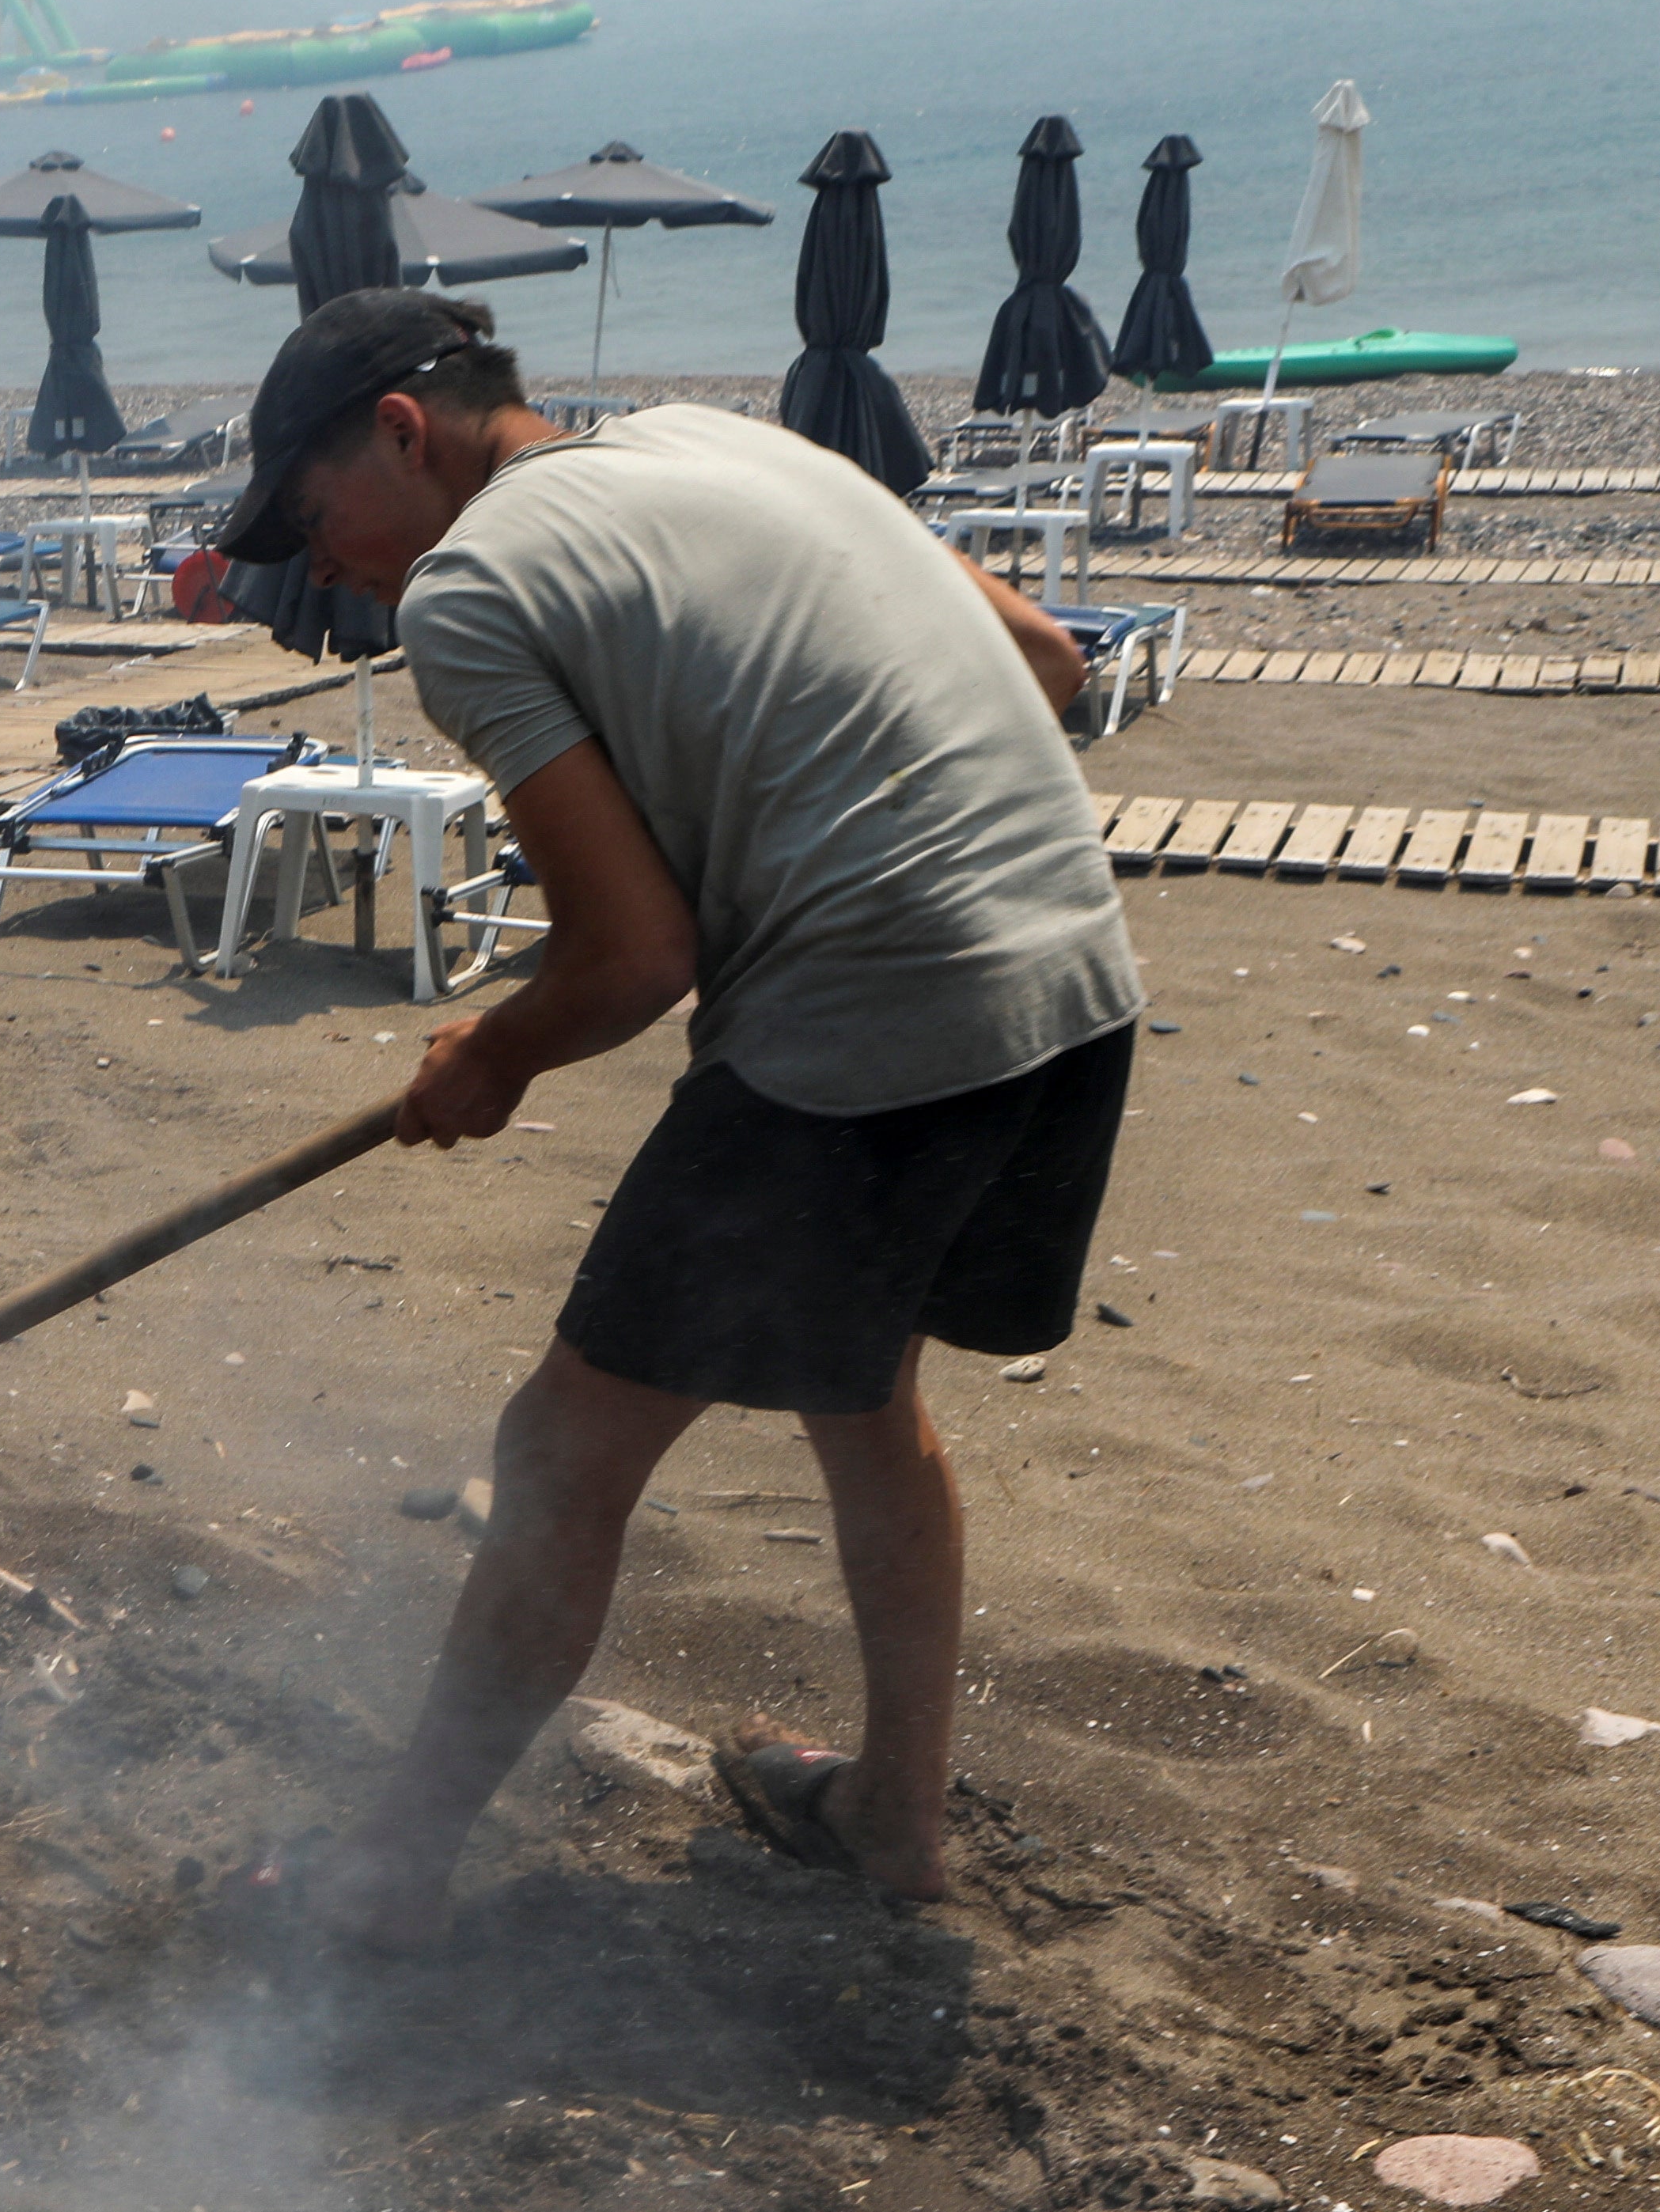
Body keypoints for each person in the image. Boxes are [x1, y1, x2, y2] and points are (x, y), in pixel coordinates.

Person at [218, 289, 1139, 1951]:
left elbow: (635, 957)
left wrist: (492, 1055)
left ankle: (388, 1870)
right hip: (1070, 980)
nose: (320, 562)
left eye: (309, 516)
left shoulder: (472, 592)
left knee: (562, 1451)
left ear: (403, 434)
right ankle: (894, 1821)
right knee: (865, 1398)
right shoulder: (717, 437)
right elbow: (1051, 664)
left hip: (878, 1009)